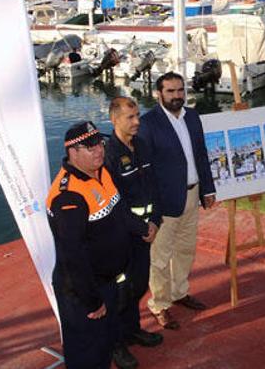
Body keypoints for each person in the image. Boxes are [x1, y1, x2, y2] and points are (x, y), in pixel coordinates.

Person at [46, 121, 148, 368]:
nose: (98, 150)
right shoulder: (68, 197)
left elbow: (118, 209)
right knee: (87, 355)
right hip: (84, 291)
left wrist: (142, 227)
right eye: (89, 147)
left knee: (104, 347)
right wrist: (92, 301)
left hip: (108, 281)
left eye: (99, 143)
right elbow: (73, 256)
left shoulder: (101, 172)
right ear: (73, 152)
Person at [139, 72, 217, 330]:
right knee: (160, 257)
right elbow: (146, 169)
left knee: (185, 248)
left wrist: (208, 188)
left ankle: (179, 292)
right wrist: (153, 206)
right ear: (159, 93)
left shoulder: (192, 117)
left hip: (193, 194)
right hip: (165, 200)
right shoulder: (148, 123)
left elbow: (201, 154)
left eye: (180, 90)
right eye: (170, 91)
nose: (176, 96)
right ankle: (160, 305)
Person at [105, 97, 164, 369]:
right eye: (130, 117)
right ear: (114, 120)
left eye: (138, 115)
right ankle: (115, 343)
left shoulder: (141, 145)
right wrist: (142, 228)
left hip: (147, 231)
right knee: (121, 290)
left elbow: (153, 185)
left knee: (139, 284)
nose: (137, 121)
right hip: (124, 236)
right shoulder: (109, 156)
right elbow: (115, 203)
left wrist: (154, 222)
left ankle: (132, 329)